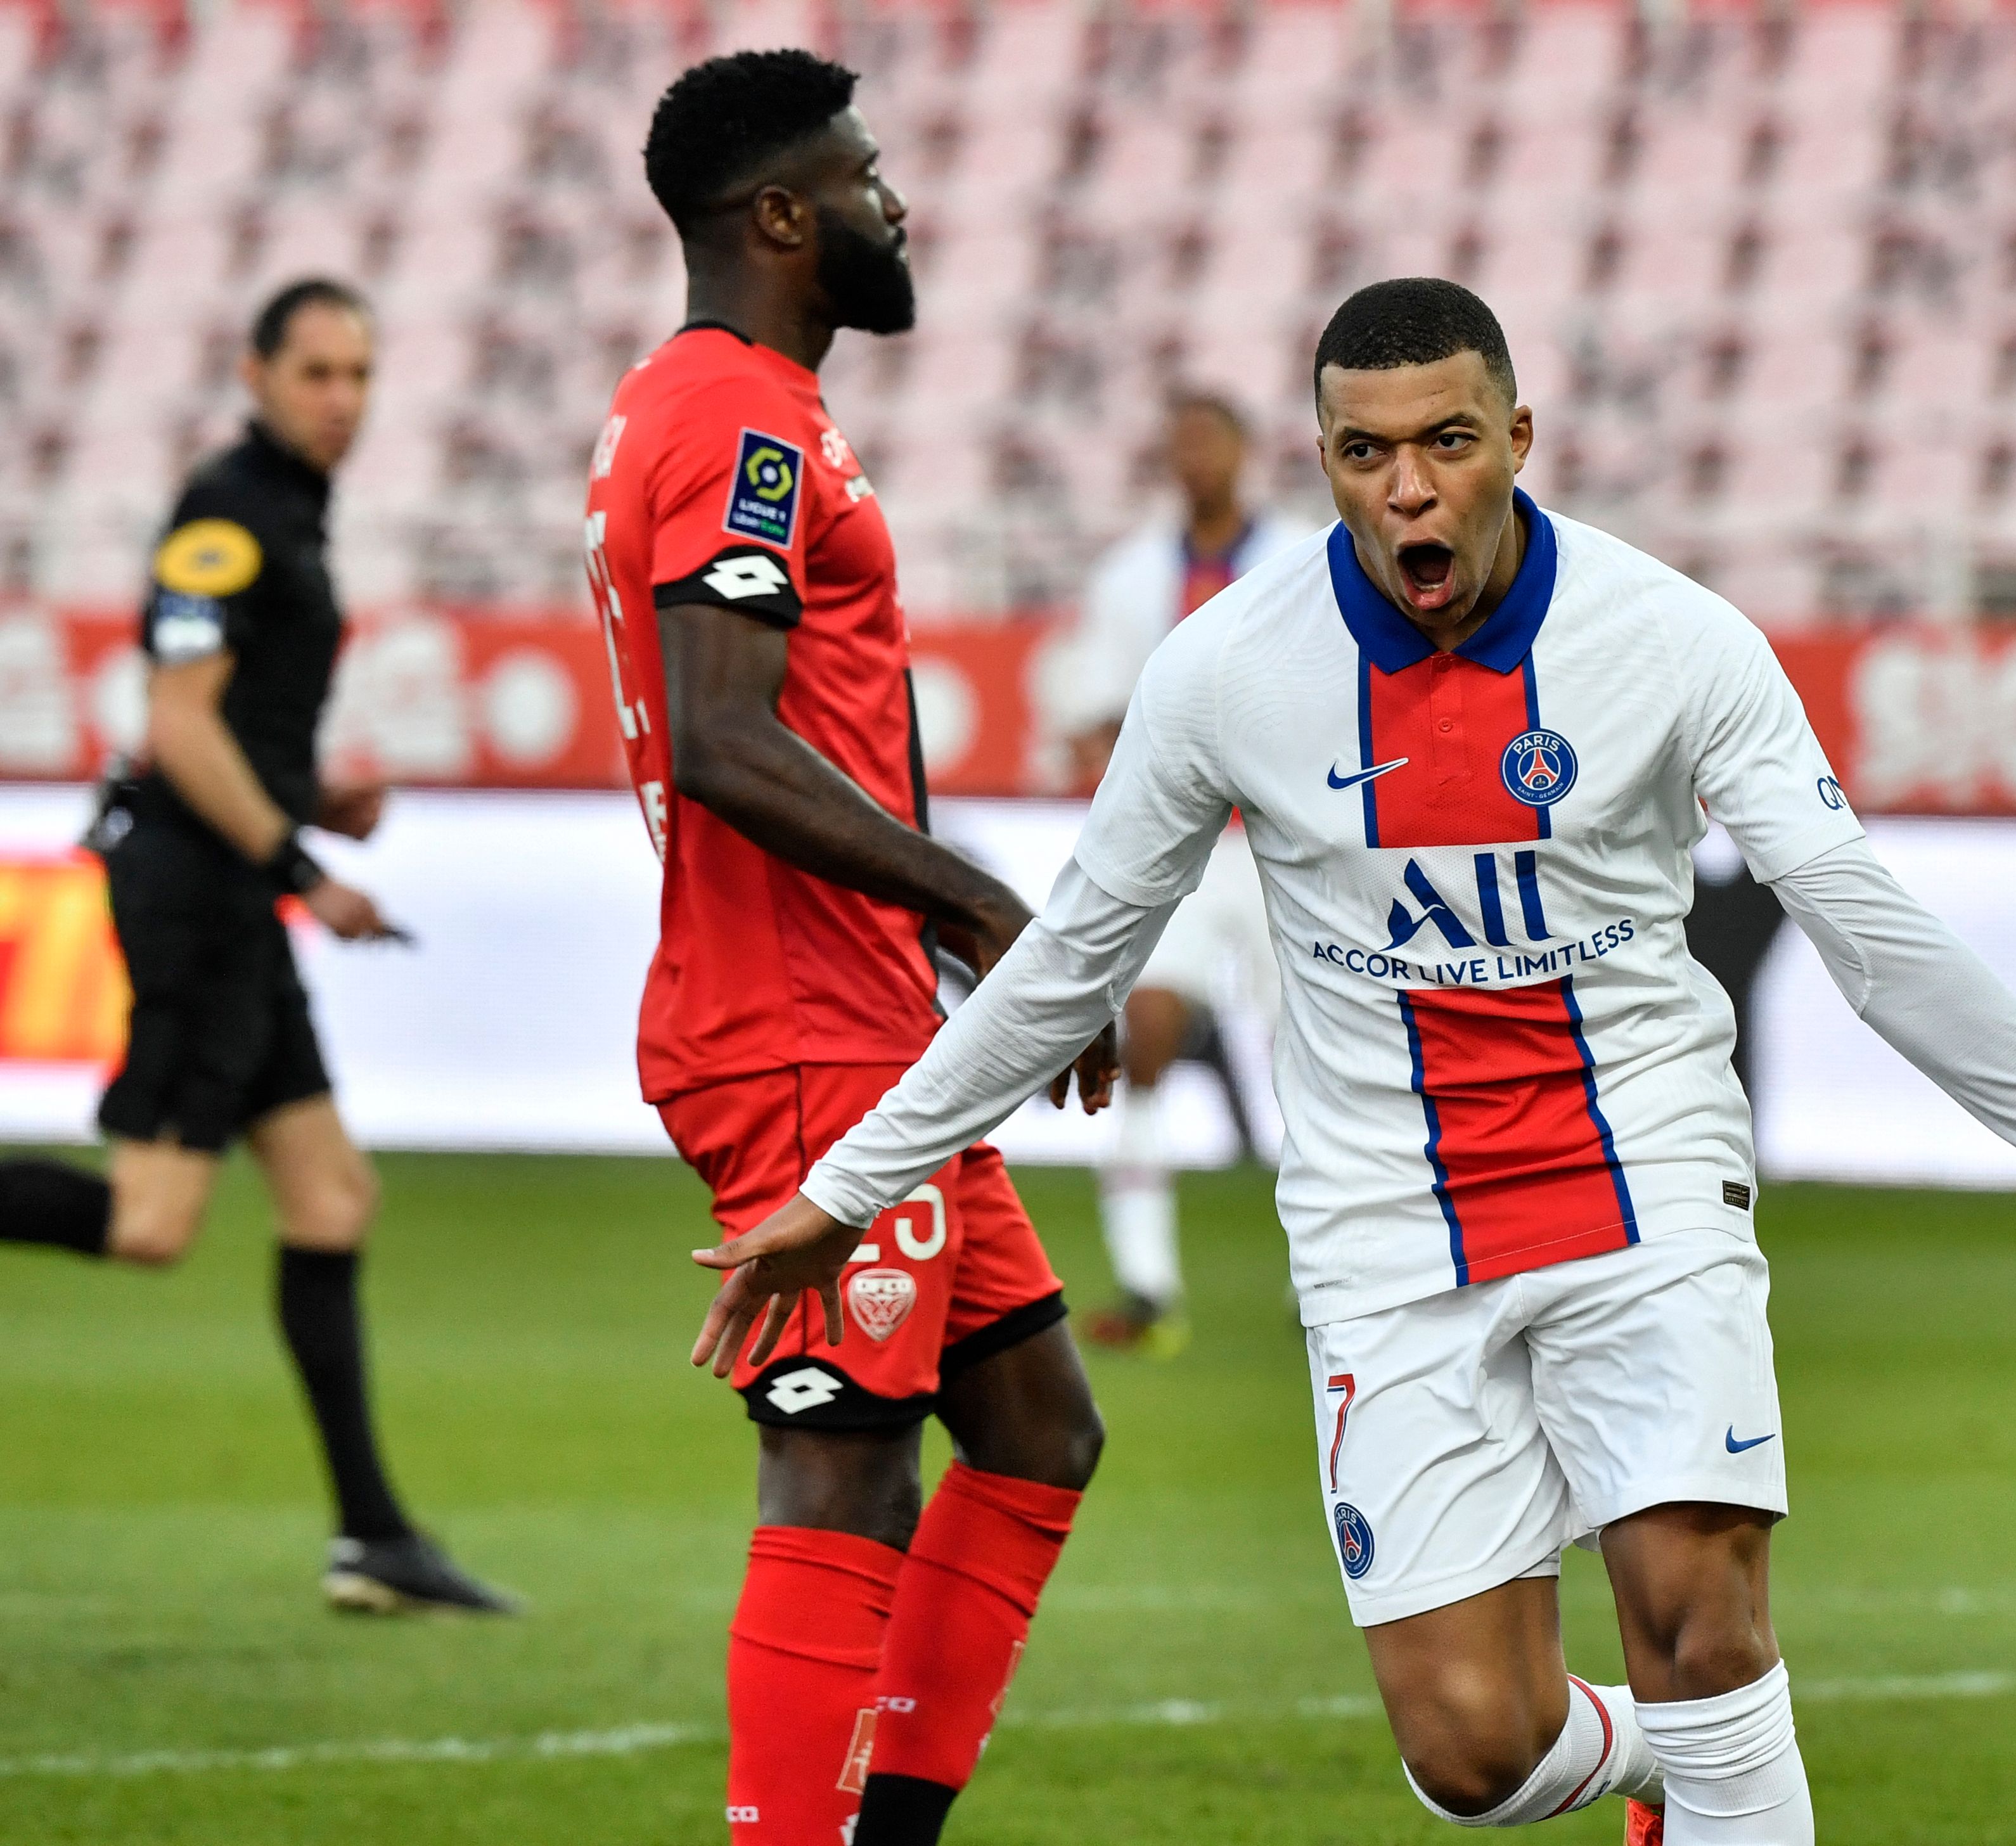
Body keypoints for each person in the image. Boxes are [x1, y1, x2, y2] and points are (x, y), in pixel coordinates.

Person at [689, 277, 2016, 1845]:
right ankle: (1649, 1774)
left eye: (1447, 442)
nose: (1410, 490)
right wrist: (853, 1186)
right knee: (1472, 1753)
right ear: (1326, 460)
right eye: (1366, 452)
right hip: (1386, 1230)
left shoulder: (1673, 639)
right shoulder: (1224, 673)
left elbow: (1869, 929)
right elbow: (1070, 959)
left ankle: (1714, 1767)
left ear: (1519, 440)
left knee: (1702, 1611)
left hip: (1642, 1184)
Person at [594, 51, 1117, 1846]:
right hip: (796, 1026)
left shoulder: (738, 411)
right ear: (782, 216)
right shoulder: (733, 419)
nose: (898, 205)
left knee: (1041, 1430)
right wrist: (982, 904)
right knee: (841, 1464)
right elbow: (727, 736)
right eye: (868, 176)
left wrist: (950, 961)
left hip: (872, 1020)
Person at [0, 279, 512, 1616]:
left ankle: (375, 1537)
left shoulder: (291, 511)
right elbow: (178, 722)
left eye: (358, 373)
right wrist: (301, 864)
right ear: (256, 372)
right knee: (152, 1220)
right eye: (317, 372)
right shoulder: (227, 511)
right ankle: (375, 1533)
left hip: (235, 882)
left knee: (331, 1196)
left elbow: (229, 725)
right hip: (197, 893)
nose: (341, 397)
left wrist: (304, 802)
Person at [1057, 390, 1316, 1354]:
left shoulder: (1305, 554)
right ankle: (1148, 1286)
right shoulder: (1131, 574)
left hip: (1295, 843)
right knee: (1148, 1034)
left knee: (1320, 1062)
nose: (1194, 455)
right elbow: (1091, 710)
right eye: (1181, 440)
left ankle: (1326, 1283)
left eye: (1209, 437)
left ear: (1244, 449)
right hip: (1188, 846)